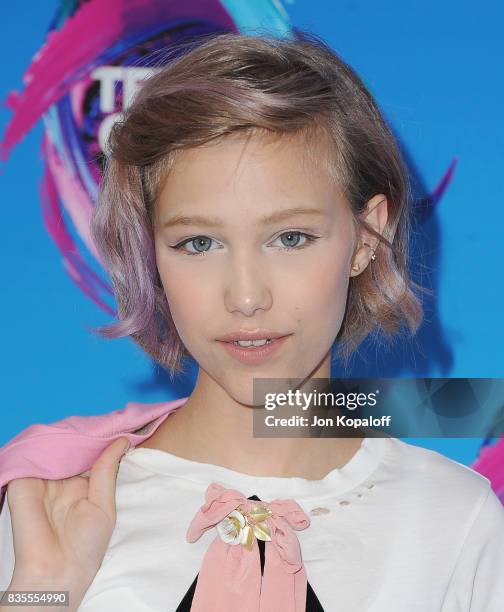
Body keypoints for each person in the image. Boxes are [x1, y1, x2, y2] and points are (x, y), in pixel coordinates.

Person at [1, 31, 503, 612]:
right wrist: (43, 595)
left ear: (367, 236)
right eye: (198, 242)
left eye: (290, 238)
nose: (245, 297)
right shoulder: (52, 504)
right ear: (150, 252)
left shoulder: (452, 521)